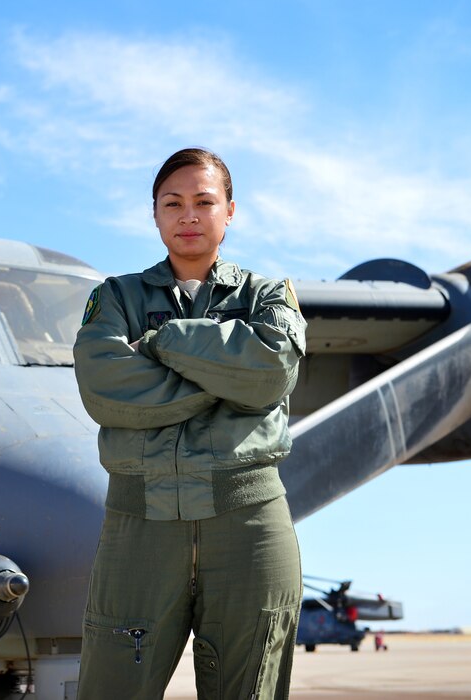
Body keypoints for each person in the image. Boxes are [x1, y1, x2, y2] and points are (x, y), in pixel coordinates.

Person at [73, 147, 307, 698]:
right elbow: (106, 390)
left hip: (249, 524)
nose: (189, 215)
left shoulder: (268, 295)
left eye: (204, 201)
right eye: (172, 203)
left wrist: (161, 343)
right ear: (154, 214)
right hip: (141, 525)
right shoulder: (114, 298)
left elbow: (269, 374)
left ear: (230, 211)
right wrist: (225, 379)